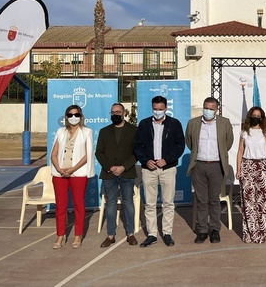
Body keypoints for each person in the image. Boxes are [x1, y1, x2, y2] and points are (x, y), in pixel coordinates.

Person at [133, 95, 185, 248]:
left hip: (167, 169)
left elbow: (179, 146)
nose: (157, 112)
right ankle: (152, 234)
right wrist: (145, 160)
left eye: (160, 109)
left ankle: (167, 233)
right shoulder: (143, 124)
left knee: (168, 203)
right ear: (152, 108)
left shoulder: (174, 124)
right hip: (149, 169)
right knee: (149, 203)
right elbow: (137, 146)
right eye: (155, 109)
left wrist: (166, 160)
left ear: (166, 109)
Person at [185, 97, 234, 245]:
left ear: (216, 110)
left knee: (214, 200)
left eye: (211, 108)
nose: (208, 110)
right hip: (198, 165)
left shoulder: (224, 123)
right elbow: (189, 142)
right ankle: (202, 231)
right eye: (206, 107)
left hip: (216, 166)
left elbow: (228, 142)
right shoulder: (193, 123)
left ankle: (214, 229)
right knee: (201, 200)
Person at [50, 104, 95, 249]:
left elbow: (87, 155)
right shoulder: (60, 131)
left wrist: (72, 169)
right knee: (61, 206)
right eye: (70, 115)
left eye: (76, 115)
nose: (73, 118)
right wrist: (59, 168)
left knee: (78, 205)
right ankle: (60, 236)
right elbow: (53, 153)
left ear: (81, 117)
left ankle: (78, 236)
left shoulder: (87, 132)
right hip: (60, 173)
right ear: (66, 117)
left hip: (78, 173)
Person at [95, 103, 139, 248]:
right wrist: (110, 167)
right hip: (109, 173)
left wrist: (123, 167)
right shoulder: (104, 131)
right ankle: (110, 235)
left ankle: (130, 234)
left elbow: (137, 152)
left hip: (127, 172)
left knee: (128, 202)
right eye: (113, 112)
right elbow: (99, 152)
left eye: (118, 112)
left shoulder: (134, 130)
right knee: (111, 203)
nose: (115, 114)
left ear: (124, 113)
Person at [236, 106, 266, 244]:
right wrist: (238, 169)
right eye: (254, 115)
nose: (256, 117)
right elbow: (240, 151)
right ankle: (248, 233)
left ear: (262, 117)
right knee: (248, 201)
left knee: (263, 201)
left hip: (263, 166)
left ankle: (261, 233)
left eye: (258, 115)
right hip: (247, 166)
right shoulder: (244, 132)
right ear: (249, 116)